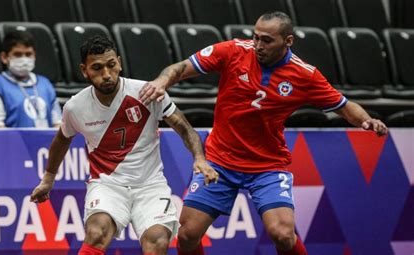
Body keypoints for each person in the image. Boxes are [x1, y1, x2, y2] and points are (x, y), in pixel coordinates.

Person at [139, 11, 388, 255]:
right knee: (187, 235)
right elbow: (181, 67)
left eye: (267, 40)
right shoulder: (233, 51)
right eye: (256, 37)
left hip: (267, 166)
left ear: (288, 41)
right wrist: (162, 82)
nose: (258, 45)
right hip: (220, 161)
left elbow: (343, 107)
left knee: (283, 236)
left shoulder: (305, 75)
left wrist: (367, 120)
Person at [29, 35, 219, 255]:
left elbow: (185, 128)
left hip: (150, 185)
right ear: (84, 70)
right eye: (97, 68)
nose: (107, 74)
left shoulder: (148, 92)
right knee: (97, 233)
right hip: (107, 184)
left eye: (111, 65)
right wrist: (48, 180)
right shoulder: (75, 107)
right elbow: (62, 139)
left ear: (119, 61)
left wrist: (199, 158)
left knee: (156, 242)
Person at [0, 30, 62, 128]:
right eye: (18, 54)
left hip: (46, 143)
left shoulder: (45, 84)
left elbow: (58, 124)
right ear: (4, 57)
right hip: (12, 143)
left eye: (28, 54)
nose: (24, 59)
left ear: (34, 56)